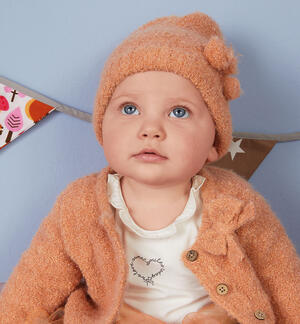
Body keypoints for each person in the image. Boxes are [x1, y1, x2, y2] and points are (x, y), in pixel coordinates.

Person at [0, 11, 300, 324]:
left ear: (214, 143)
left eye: (179, 112)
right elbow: (37, 280)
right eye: (130, 109)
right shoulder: (79, 204)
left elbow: (281, 276)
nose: (151, 129)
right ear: (103, 130)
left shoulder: (235, 202)